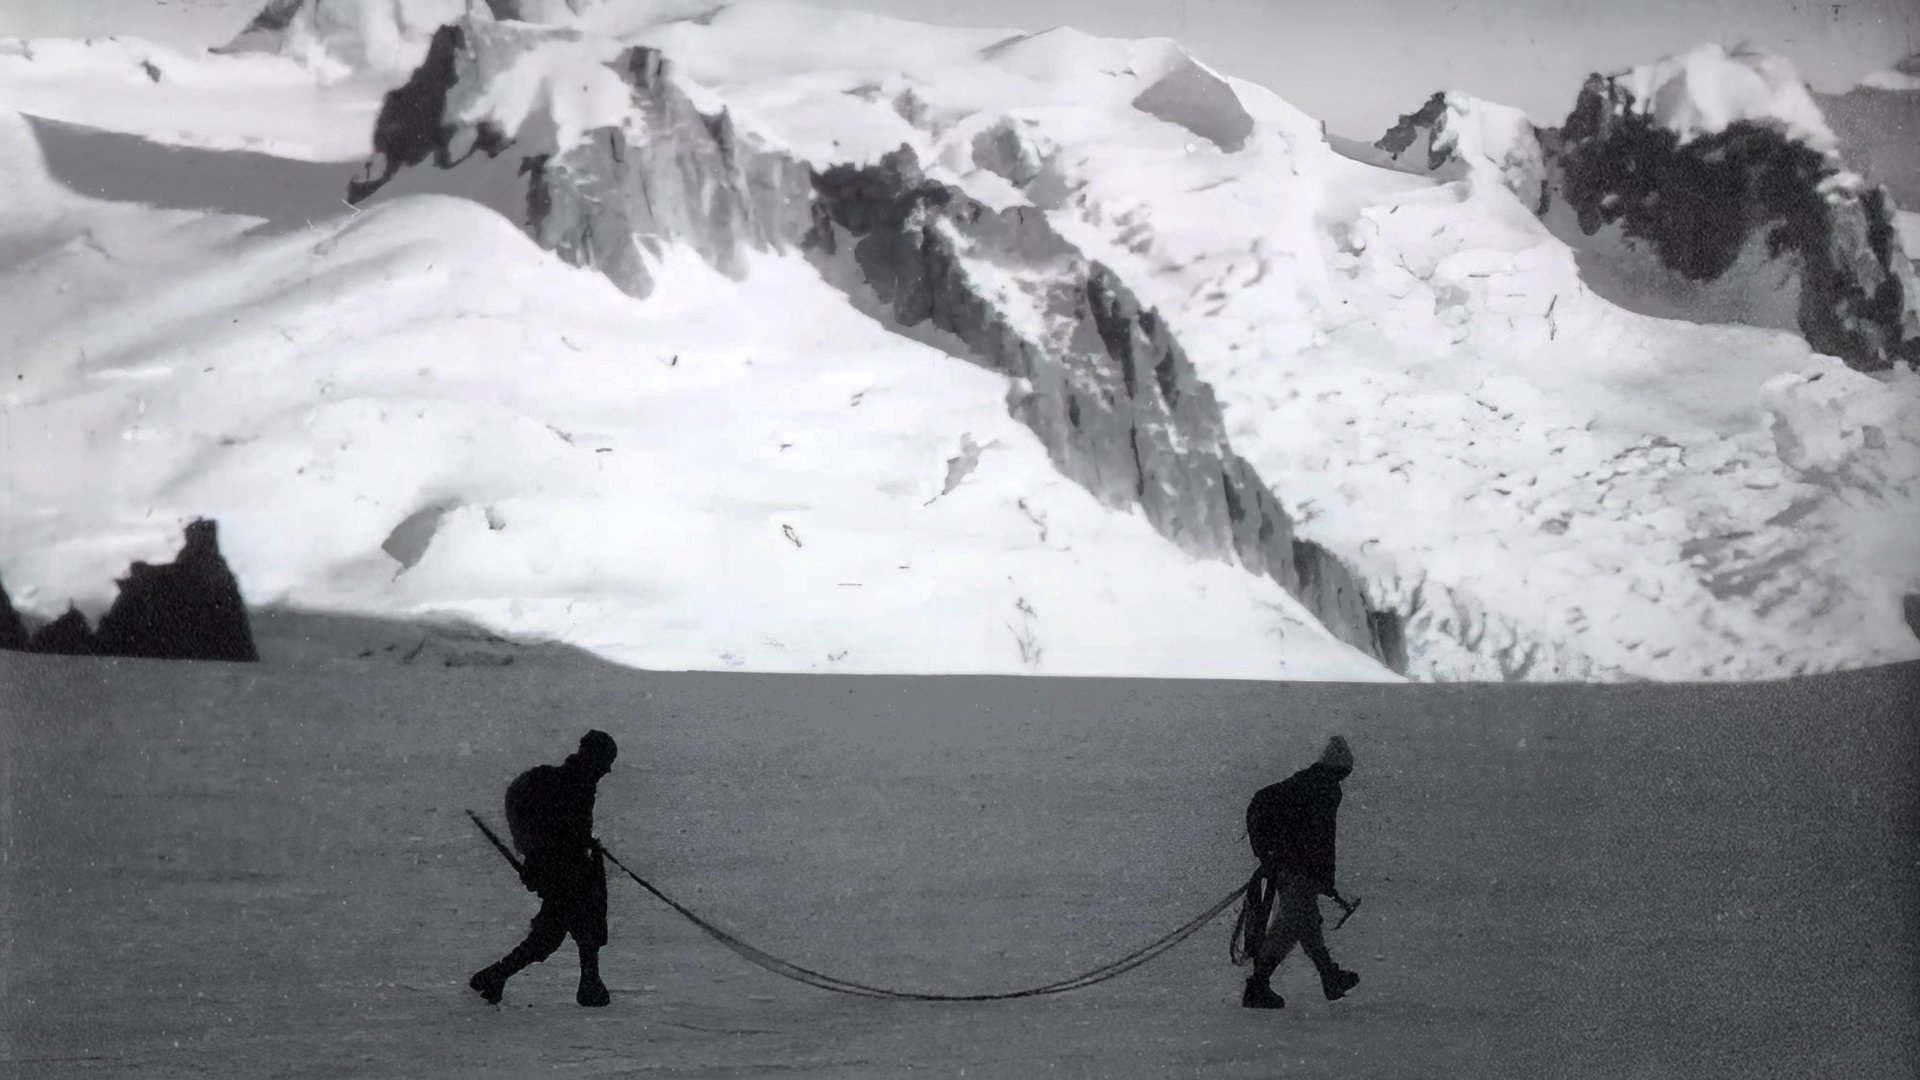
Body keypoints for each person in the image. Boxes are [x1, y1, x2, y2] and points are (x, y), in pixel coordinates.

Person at [470, 730, 619, 1007]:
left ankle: (499, 975)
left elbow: (568, 830)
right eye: (605, 763)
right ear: (592, 758)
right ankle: (587, 983)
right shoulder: (567, 785)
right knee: (568, 928)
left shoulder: (573, 783)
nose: (606, 771)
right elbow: (556, 831)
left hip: (561, 868)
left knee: (562, 928)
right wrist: (540, 855)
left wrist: (586, 845)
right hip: (560, 871)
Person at [1239, 735, 1361, 1010]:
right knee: (1295, 923)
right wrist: (1324, 879)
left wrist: (1272, 857)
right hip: (1296, 867)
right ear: (1341, 769)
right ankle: (1260, 985)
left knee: (1302, 921)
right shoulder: (1326, 789)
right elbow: (1323, 838)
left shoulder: (1307, 781)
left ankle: (1328, 977)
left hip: (1289, 863)